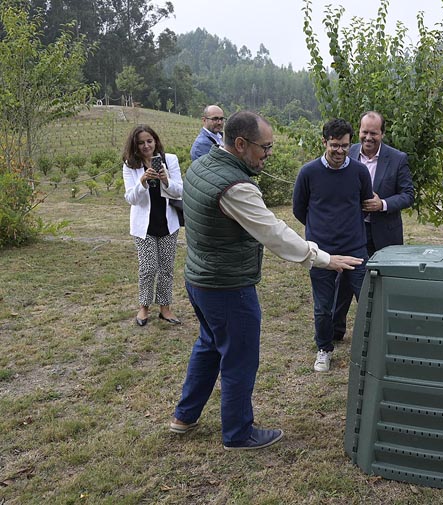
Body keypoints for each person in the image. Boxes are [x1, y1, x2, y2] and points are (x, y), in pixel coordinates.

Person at [170, 111, 363, 450]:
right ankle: (238, 433)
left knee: (210, 345)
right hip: (227, 286)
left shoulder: (202, 165)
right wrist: (324, 258)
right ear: (241, 144)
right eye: (265, 148)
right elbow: (274, 233)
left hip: (198, 279)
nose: (269, 154)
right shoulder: (236, 187)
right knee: (239, 357)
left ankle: (184, 416)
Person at [293, 119, 373, 372]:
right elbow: (299, 209)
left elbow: (363, 201)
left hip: (355, 249)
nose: (340, 151)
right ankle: (325, 349)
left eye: (345, 146)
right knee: (323, 306)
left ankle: (372, 348)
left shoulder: (360, 172)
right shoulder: (309, 173)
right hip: (320, 251)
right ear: (324, 142)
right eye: (335, 146)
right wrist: (321, 231)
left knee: (368, 300)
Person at [332, 111, 415, 342]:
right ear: (359, 131)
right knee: (343, 282)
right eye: (364, 132)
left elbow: (408, 195)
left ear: (383, 133)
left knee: (385, 284)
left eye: (374, 133)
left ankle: (385, 333)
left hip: (384, 234)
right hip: (351, 232)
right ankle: (335, 331)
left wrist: (383, 204)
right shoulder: (346, 153)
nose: (368, 137)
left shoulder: (397, 158)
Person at [122, 125, 183, 327]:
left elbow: (180, 191)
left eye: (149, 141)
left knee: (166, 268)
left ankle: (165, 308)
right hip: (144, 226)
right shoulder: (130, 166)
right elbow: (131, 198)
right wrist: (143, 181)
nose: (146, 146)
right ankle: (144, 306)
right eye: (141, 143)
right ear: (135, 146)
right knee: (148, 268)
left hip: (167, 223)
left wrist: (166, 180)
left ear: (155, 141)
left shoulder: (170, 160)